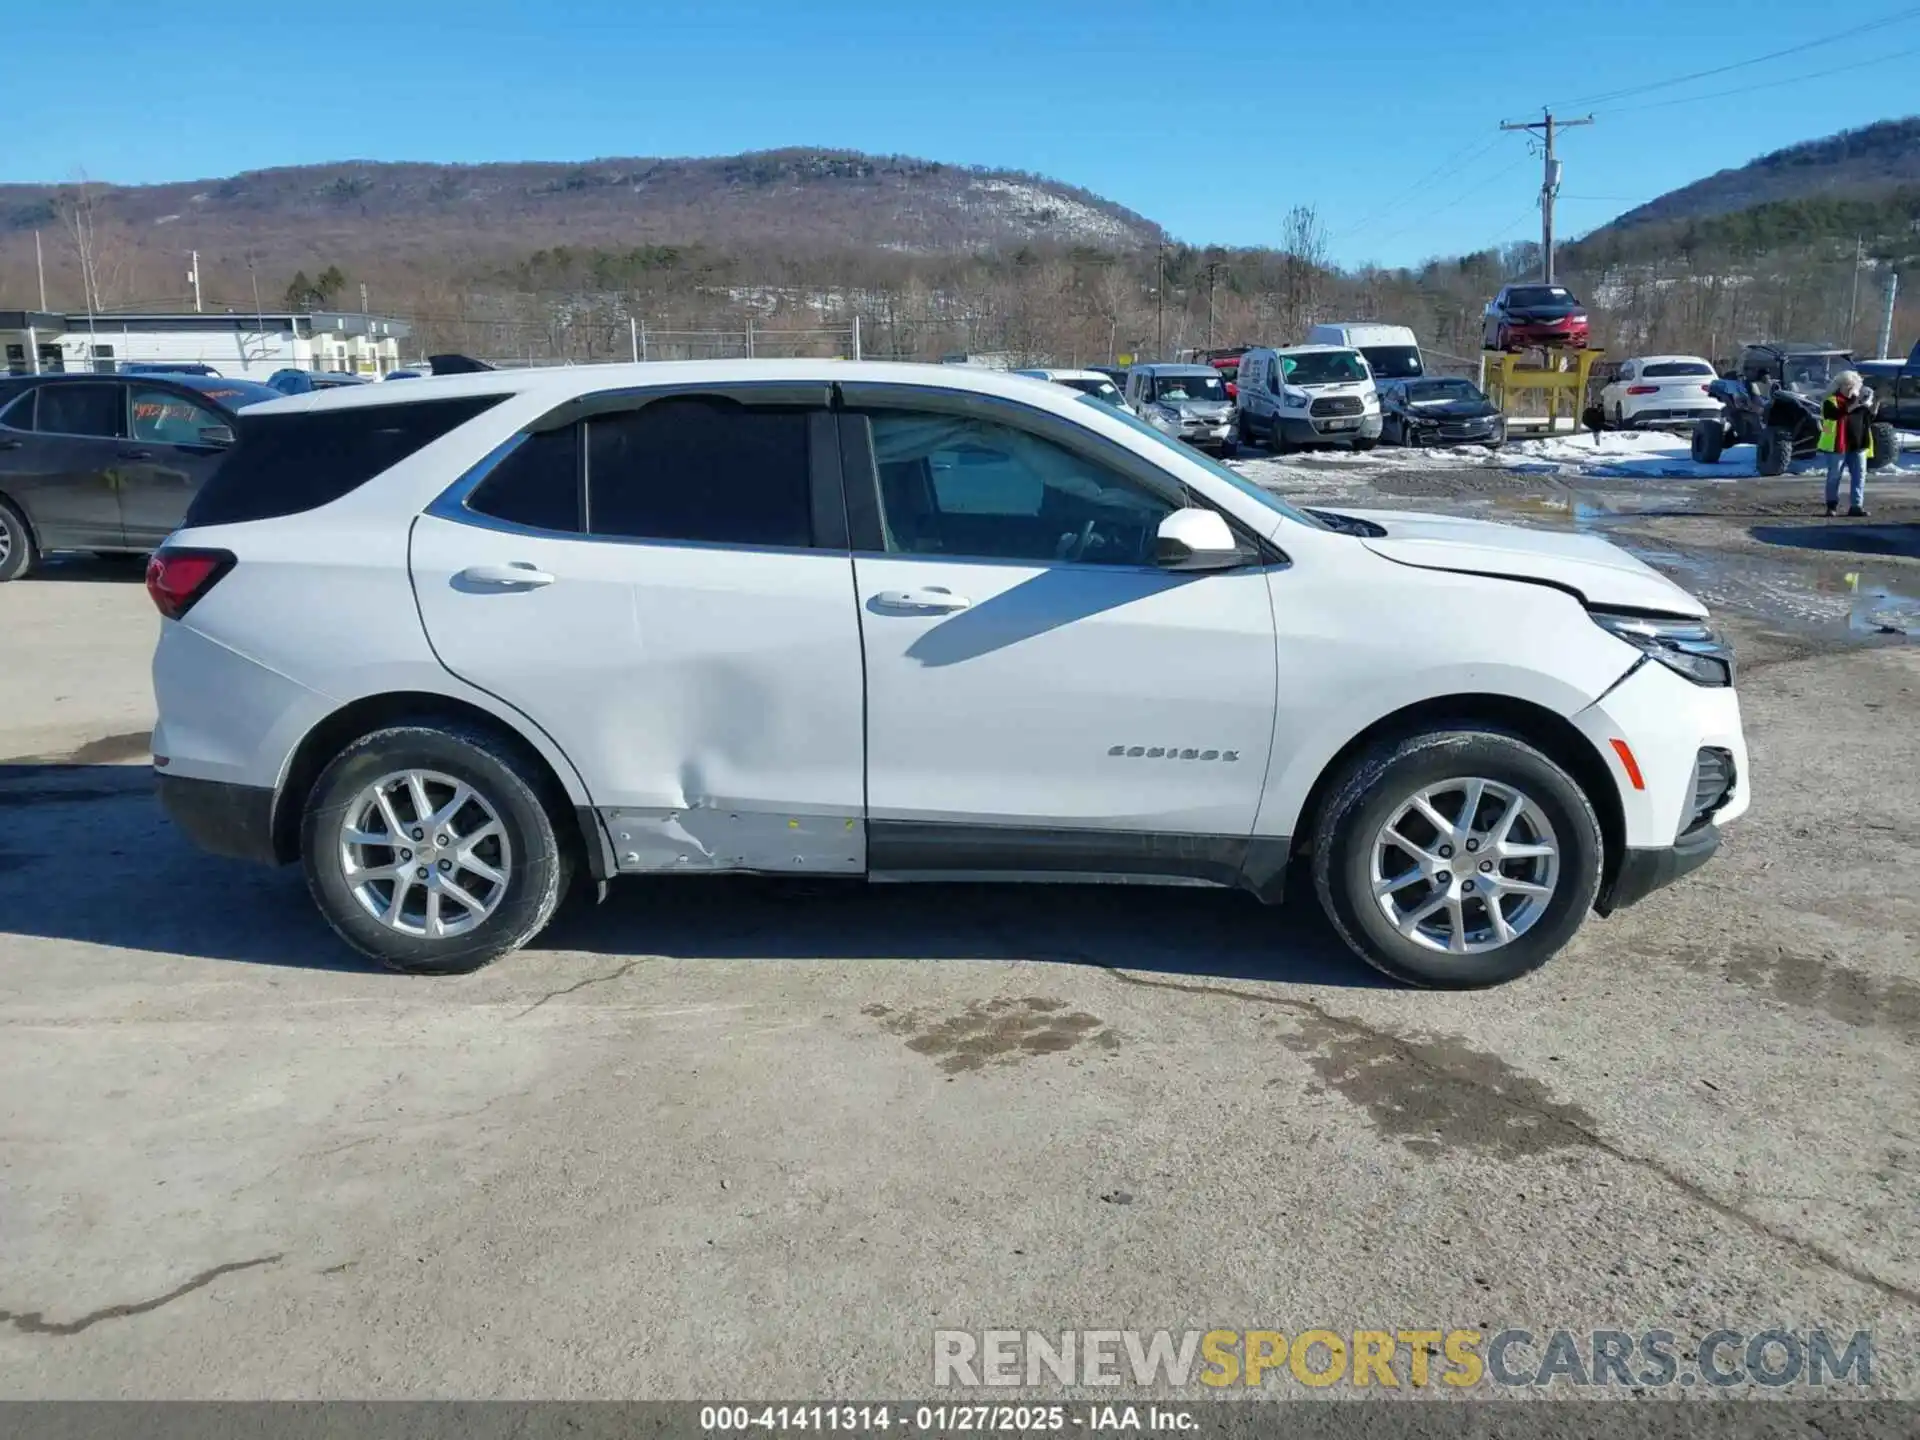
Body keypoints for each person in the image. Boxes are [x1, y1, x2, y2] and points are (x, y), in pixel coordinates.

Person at [1820, 371, 1873, 517]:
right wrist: (1857, 404)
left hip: (1858, 445)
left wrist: (1874, 403)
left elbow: (1869, 420)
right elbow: (1836, 414)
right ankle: (1831, 506)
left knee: (1859, 475)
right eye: (1847, 385)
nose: (1850, 388)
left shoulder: (1860, 401)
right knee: (1834, 475)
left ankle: (1856, 506)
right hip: (1837, 446)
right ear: (1839, 386)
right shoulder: (1831, 401)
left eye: (1853, 385)